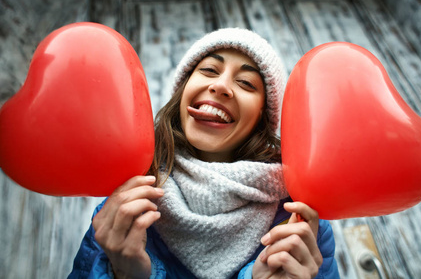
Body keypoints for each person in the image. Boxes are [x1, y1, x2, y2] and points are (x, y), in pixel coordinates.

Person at [68, 28, 339, 279]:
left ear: (261, 118)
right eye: (209, 69)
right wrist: (123, 273)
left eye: (246, 83)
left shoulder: (299, 223)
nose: (220, 86)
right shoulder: (125, 206)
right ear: (183, 91)